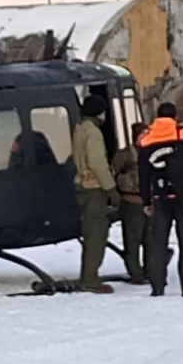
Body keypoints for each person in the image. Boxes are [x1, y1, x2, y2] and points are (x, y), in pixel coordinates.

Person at [138, 101, 183, 298]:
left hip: (160, 197)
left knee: (158, 243)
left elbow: (143, 175)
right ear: (174, 116)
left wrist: (146, 201)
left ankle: (157, 286)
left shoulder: (146, 140)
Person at [72, 94, 122, 293]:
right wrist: (111, 189)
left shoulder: (80, 129)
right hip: (93, 190)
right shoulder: (93, 132)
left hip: (82, 187)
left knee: (91, 233)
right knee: (96, 235)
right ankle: (90, 279)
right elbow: (98, 163)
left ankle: (89, 275)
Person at [112, 122, 152, 285]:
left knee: (150, 240)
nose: (145, 137)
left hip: (150, 202)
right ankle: (135, 272)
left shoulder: (154, 153)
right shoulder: (125, 154)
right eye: (141, 134)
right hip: (131, 201)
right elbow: (113, 172)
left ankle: (150, 271)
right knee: (132, 240)